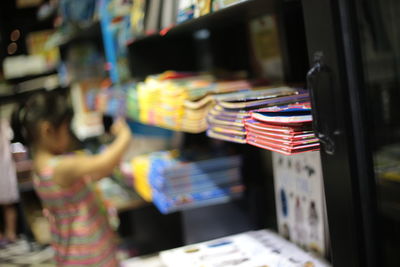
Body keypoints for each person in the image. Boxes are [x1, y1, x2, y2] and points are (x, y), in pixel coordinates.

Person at [11, 91, 132, 266]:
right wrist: (124, 134)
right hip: (89, 254)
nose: (69, 135)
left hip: (71, 251)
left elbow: (92, 173)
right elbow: (104, 163)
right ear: (48, 130)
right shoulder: (61, 167)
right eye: (66, 128)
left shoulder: (39, 165)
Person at [0, 118, 19, 244]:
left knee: (8, 204)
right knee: (8, 204)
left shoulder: (4, 124)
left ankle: (11, 234)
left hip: (5, 168)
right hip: (5, 167)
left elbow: (15, 146)